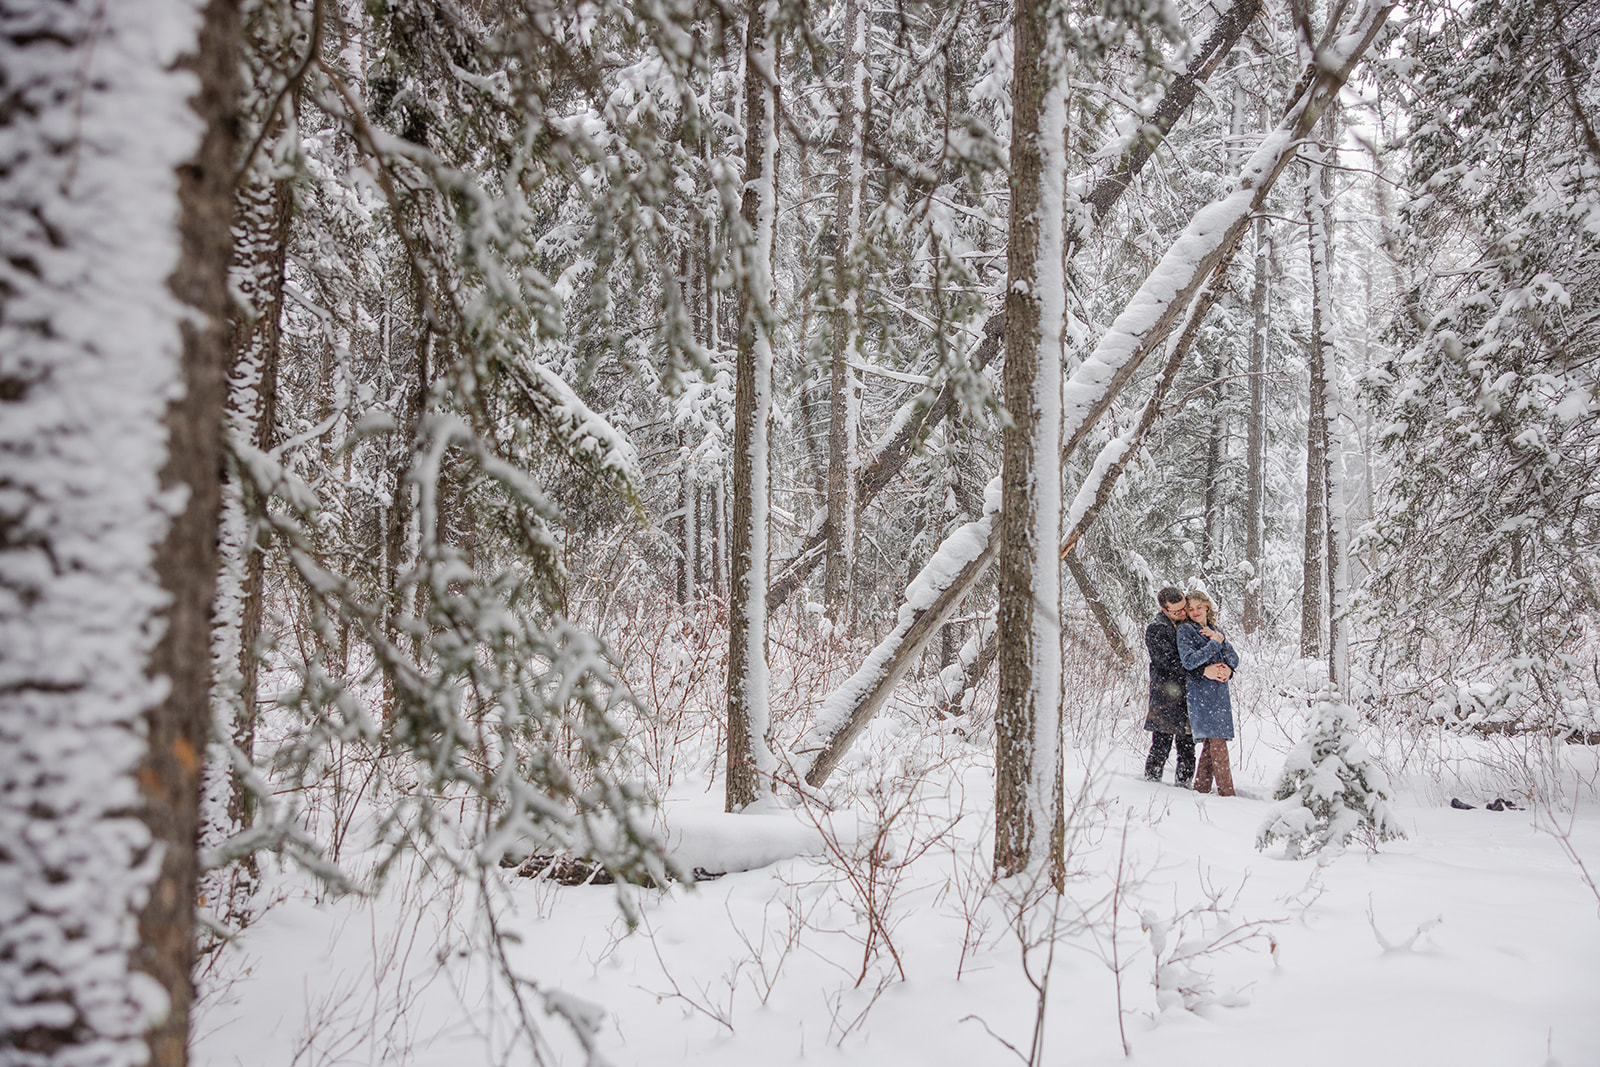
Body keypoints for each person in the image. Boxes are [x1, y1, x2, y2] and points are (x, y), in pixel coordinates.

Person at [1177, 590, 1240, 796]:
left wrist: (1228, 669)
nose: (1195, 612)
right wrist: (1214, 644)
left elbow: (1234, 660)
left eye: (1198, 607)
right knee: (1217, 741)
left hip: (1220, 693)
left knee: (1212, 742)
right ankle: (1228, 794)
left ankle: (1201, 790)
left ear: (1206, 607)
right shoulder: (1185, 631)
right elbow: (1189, 661)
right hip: (1201, 693)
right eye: (1190, 609)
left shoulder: (1216, 630)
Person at [1143, 587, 1195, 786]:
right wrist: (1198, 668)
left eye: (1184, 608)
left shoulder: (1190, 623)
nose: (1183, 613)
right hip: (1166, 696)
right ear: (1165, 610)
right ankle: (1151, 784)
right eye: (1177, 611)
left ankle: (1184, 785)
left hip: (1188, 695)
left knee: (1187, 747)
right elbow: (1168, 662)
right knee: (1161, 745)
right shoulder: (1156, 628)